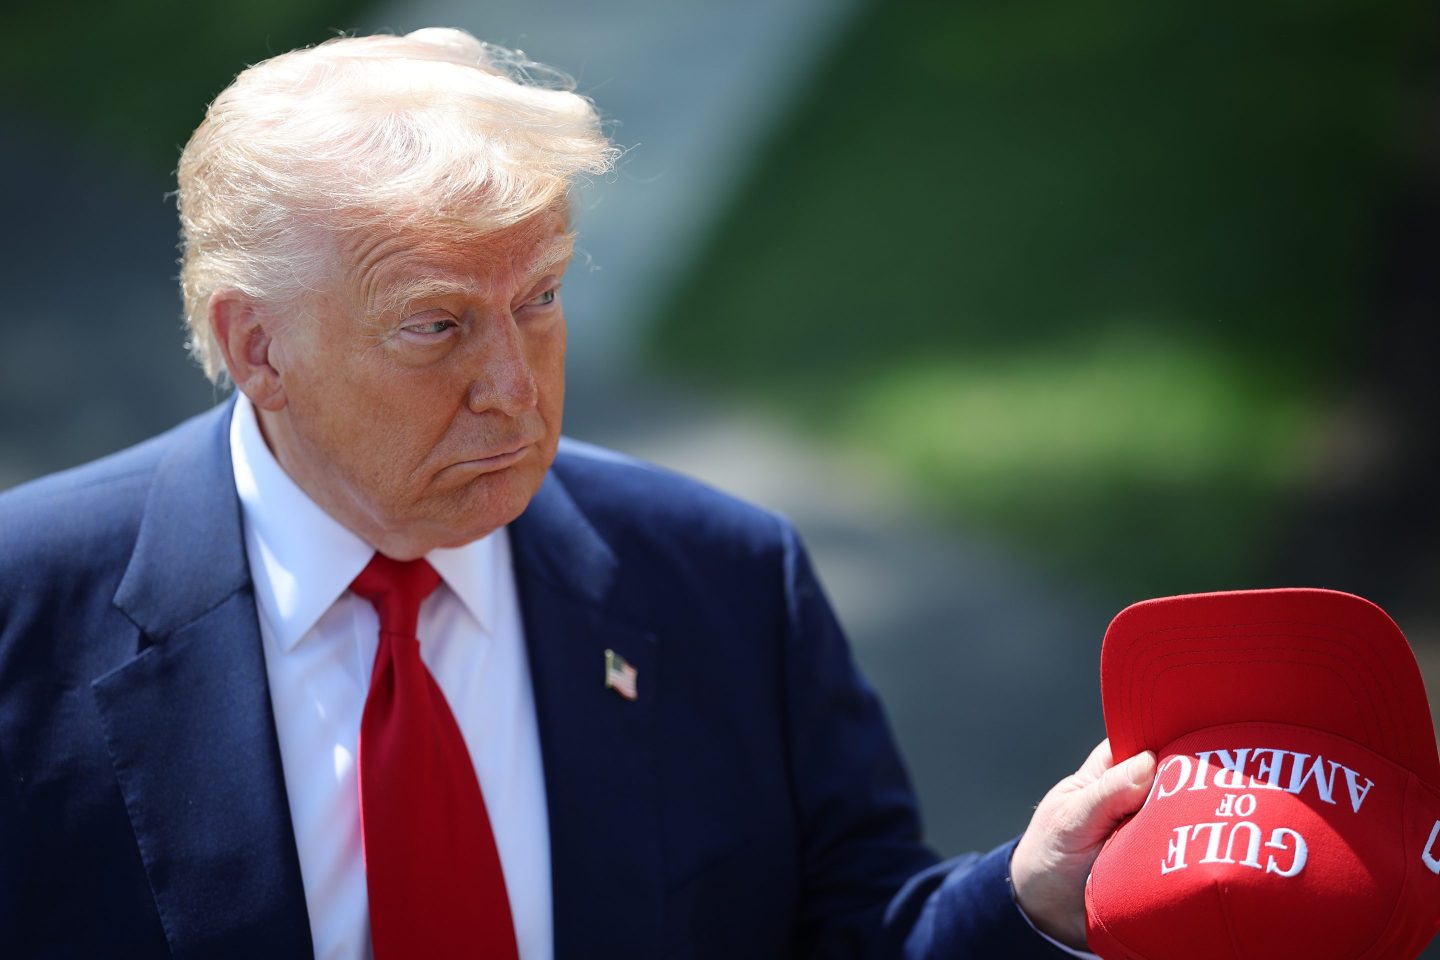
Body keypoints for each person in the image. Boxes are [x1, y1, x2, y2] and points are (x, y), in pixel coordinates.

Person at [0, 28, 1155, 958]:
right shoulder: (25, 610)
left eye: (540, 300)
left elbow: (852, 931)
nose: (513, 386)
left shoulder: (726, 578)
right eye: (438, 324)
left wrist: (1030, 897)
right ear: (257, 348)